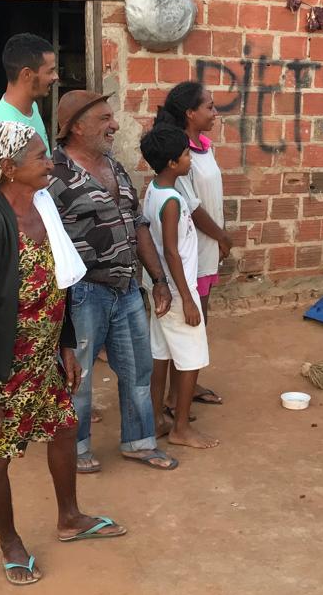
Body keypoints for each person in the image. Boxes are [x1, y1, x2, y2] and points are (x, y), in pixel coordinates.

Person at [0, 121, 126, 587]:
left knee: (64, 428)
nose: (51, 163)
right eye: (40, 156)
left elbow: (59, 283)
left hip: (39, 359)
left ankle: (69, 518)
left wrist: (65, 346)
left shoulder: (43, 208)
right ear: (8, 168)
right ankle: (10, 542)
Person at [48, 90, 179, 473]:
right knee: (78, 375)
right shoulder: (53, 175)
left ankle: (139, 442)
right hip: (82, 293)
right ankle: (75, 449)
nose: (115, 125)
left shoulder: (114, 167)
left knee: (138, 369)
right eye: (105, 118)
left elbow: (138, 224)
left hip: (126, 289)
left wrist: (158, 278)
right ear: (76, 127)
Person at [152, 81, 232, 413]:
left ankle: (186, 384)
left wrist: (220, 236)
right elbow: (193, 206)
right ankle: (176, 396)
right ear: (190, 113)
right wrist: (222, 236)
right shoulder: (179, 154)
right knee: (190, 323)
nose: (215, 113)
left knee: (200, 317)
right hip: (193, 248)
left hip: (208, 246)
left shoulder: (203, 147)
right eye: (209, 107)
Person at [140, 126, 220, 450]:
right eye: (187, 155)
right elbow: (172, 251)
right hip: (176, 291)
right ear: (173, 163)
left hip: (161, 286)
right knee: (192, 356)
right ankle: (181, 428)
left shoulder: (154, 189)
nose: (190, 159)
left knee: (161, 351)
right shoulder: (171, 200)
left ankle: (156, 418)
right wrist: (187, 299)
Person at [0, 33, 59, 210]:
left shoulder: (31, 107)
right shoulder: (3, 126)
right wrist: (11, 222)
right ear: (27, 74)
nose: (55, 77)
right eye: (49, 71)